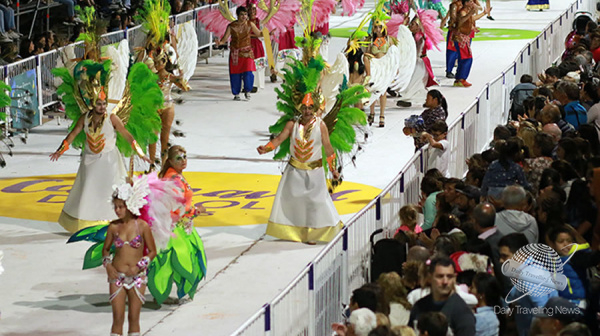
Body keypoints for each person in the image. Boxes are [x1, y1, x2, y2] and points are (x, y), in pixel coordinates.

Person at [50, 95, 152, 233]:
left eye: (104, 103)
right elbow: (73, 134)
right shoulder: (84, 118)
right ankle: (86, 223)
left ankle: (114, 222)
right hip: (89, 161)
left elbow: (126, 134)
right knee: (88, 190)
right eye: (99, 104)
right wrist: (59, 151)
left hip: (110, 161)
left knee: (110, 191)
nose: (102, 107)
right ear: (92, 103)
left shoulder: (112, 118)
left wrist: (141, 153)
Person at [257, 93, 342, 244]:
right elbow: (278, 139)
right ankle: (295, 231)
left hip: (314, 172)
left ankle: (313, 233)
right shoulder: (292, 124)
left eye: (310, 108)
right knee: (294, 201)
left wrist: (333, 169)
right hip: (294, 171)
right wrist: (266, 148)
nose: (307, 111)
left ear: (314, 109)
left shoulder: (320, 126)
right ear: (299, 108)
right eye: (304, 108)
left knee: (315, 202)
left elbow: (328, 149)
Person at [102, 182, 157, 336]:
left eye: (121, 206)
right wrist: (108, 266)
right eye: (116, 207)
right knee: (117, 318)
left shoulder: (142, 226)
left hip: (137, 277)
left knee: (134, 318)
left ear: (130, 205)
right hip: (117, 277)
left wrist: (140, 265)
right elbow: (105, 250)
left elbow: (153, 251)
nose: (117, 210)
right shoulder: (113, 227)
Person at [408, 256, 476, 335]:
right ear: (430, 278)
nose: (445, 281)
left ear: (455, 278)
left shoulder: (462, 313)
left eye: (449, 277)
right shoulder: (419, 307)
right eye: (440, 276)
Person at [217, 6, 262, 101]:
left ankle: (247, 90)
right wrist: (219, 43)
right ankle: (236, 93)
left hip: (247, 53)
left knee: (248, 72)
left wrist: (268, 33)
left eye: (245, 14)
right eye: (242, 14)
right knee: (235, 74)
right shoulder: (231, 26)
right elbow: (224, 39)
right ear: (237, 15)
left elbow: (259, 34)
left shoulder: (250, 24)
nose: (244, 16)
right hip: (235, 54)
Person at [451, 0, 490, 87]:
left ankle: (459, 79)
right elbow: (461, 21)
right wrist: (470, 14)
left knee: (464, 58)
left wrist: (484, 13)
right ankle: (461, 79)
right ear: (466, 3)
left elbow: (471, 19)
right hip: (461, 38)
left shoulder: (466, 11)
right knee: (467, 58)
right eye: (471, 1)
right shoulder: (462, 12)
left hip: (464, 38)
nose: (473, 3)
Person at [365, 19, 392, 127]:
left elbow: (393, 55)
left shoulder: (389, 39)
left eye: (380, 27)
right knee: (373, 90)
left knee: (383, 92)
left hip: (384, 68)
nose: (378, 29)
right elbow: (367, 54)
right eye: (376, 27)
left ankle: (382, 115)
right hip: (375, 68)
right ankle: (372, 113)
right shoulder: (371, 40)